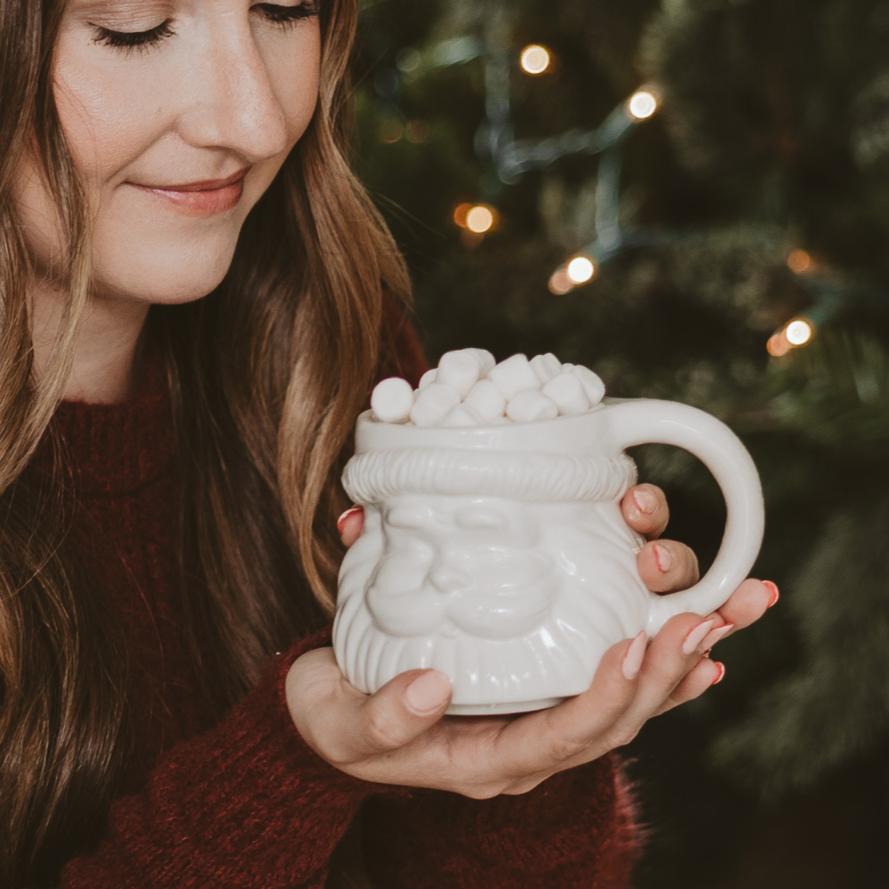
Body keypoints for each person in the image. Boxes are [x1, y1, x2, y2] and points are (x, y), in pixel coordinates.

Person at [0, 1, 777, 886]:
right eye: (133, 27)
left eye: (284, 8)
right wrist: (289, 765)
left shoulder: (332, 357)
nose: (253, 120)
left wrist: (520, 735)